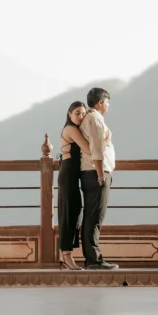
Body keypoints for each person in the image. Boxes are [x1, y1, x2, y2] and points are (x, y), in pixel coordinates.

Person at [79, 87, 118, 270]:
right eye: (107, 102)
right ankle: (93, 260)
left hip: (94, 172)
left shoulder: (93, 118)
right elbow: (97, 149)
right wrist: (101, 175)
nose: (108, 105)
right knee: (94, 217)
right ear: (100, 102)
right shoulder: (94, 119)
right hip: (96, 173)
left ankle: (92, 258)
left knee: (92, 216)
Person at [57, 101, 91, 270]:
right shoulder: (70, 129)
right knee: (68, 212)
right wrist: (107, 137)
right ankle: (66, 256)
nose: (80, 116)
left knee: (75, 209)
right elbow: (88, 149)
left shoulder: (78, 129)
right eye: (77, 113)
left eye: (83, 113)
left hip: (72, 175)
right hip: (68, 174)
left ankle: (66, 253)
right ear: (69, 114)